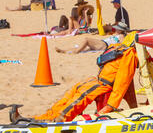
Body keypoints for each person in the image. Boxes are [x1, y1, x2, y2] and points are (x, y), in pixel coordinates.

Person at [10, 28, 139, 123]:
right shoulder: (120, 49)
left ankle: (55, 120)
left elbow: (122, 82)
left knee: (78, 100)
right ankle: (42, 118)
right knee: (70, 94)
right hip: (98, 81)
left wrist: (110, 106)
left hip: (104, 85)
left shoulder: (128, 53)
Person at [55, 22, 128, 54]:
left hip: (104, 45)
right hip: (102, 43)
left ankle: (75, 52)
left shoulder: (121, 36)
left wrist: (114, 48)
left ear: (121, 30)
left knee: (86, 39)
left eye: (117, 28)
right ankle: (64, 51)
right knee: (82, 48)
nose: (116, 29)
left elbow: (123, 45)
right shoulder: (116, 34)